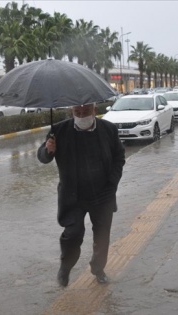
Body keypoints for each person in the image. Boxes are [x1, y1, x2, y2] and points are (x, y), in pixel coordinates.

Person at [37, 103, 126, 287]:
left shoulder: (108, 129)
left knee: (102, 235)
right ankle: (65, 267)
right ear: (72, 111)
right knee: (72, 234)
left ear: (94, 110)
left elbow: (119, 157)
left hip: (103, 194)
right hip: (73, 196)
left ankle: (98, 268)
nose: (82, 115)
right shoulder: (59, 130)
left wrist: (112, 183)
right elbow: (43, 156)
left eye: (86, 111)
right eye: (77, 112)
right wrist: (48, 150)